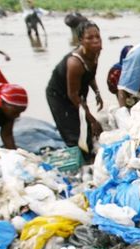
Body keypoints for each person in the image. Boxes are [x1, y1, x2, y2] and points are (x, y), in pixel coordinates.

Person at [46, 21, 103, 155]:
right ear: (81, 40)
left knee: (86, 128)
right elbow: (73, 95)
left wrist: (97, 92)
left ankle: (89, 152)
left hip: (76, 92)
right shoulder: (75, 63)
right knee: (72, 131)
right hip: (59, 95)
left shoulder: (95, 53)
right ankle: (80, 161)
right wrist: (93, 119)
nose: (95, 41)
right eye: (90, 38)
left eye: (98, 37)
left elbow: (90, 74)